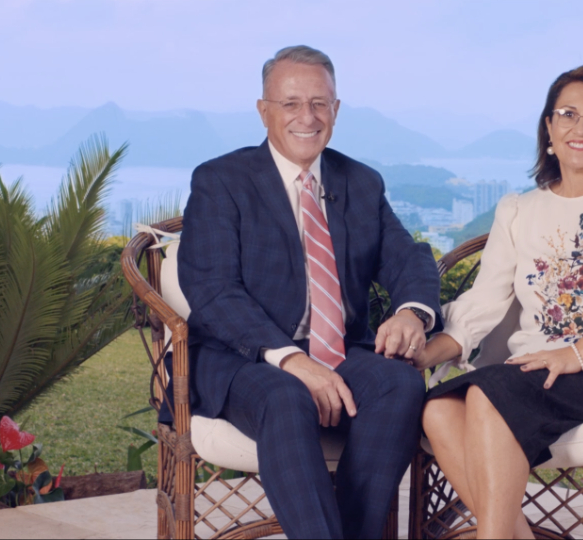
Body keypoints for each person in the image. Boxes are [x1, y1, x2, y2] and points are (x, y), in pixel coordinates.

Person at [177, 45, 442, 539]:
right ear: (264, 111)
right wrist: (292, 360)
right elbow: (212, 291)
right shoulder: (220, 180)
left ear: (336, 110)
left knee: (399, 384)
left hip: (337, 351)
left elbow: (408, 257)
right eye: (291, 103)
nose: (308, 117)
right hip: (242, 359)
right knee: (286, 396)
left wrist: (412, 313)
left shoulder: (360, 182)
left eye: (320, 103)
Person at [413, 65, 583, 539]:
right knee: (437, 410)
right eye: (568, 114)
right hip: (532, 368)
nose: (581, 127)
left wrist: (578, 352)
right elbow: (485, 298)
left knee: (486, 395)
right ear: (549, 130)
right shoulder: (519, 210)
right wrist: (425, 353)